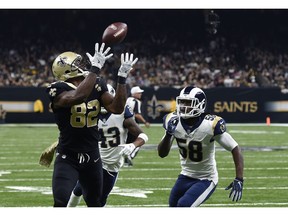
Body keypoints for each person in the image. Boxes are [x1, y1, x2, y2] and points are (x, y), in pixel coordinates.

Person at [46, 42, 138, 207]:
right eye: (77, 64)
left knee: (95, 203)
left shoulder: (97, 83)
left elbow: (117, 108)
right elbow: (78, 96)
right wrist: (95, 69)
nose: (82, 65)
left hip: (92, 155)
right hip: (68, 155)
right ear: (66, 70)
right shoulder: (57, 89)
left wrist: (122, 78)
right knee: (60, 201)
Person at [157, 86, 244, 207]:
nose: (184, 107)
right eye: (182, 102)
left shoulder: (210, 125)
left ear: (200, 105)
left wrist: (239, 178)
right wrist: (168, 134)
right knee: (173, 206)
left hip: (206, 179)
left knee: (184, 206)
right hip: (185, 175)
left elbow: (235, 148)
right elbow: (162, 153)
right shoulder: (173, 120)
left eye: (188, 103)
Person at [67, 84, 148, 207]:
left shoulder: (122, 114)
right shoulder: (89, 114)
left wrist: (132, 145)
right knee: (79, 189)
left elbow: (143, 136)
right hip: (93, 160)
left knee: (100, 200)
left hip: (112, 164)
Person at [124, 86, 150, 166]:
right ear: (134, 93)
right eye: (139, 93)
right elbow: (137, 115)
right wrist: (145, 122)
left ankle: (124, 158)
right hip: (132, 124)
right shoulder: (136, 101)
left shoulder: (127, 100)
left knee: (126, 142)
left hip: (124, 124)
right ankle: (129, 157)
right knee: (141, 139)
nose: (140, 94)